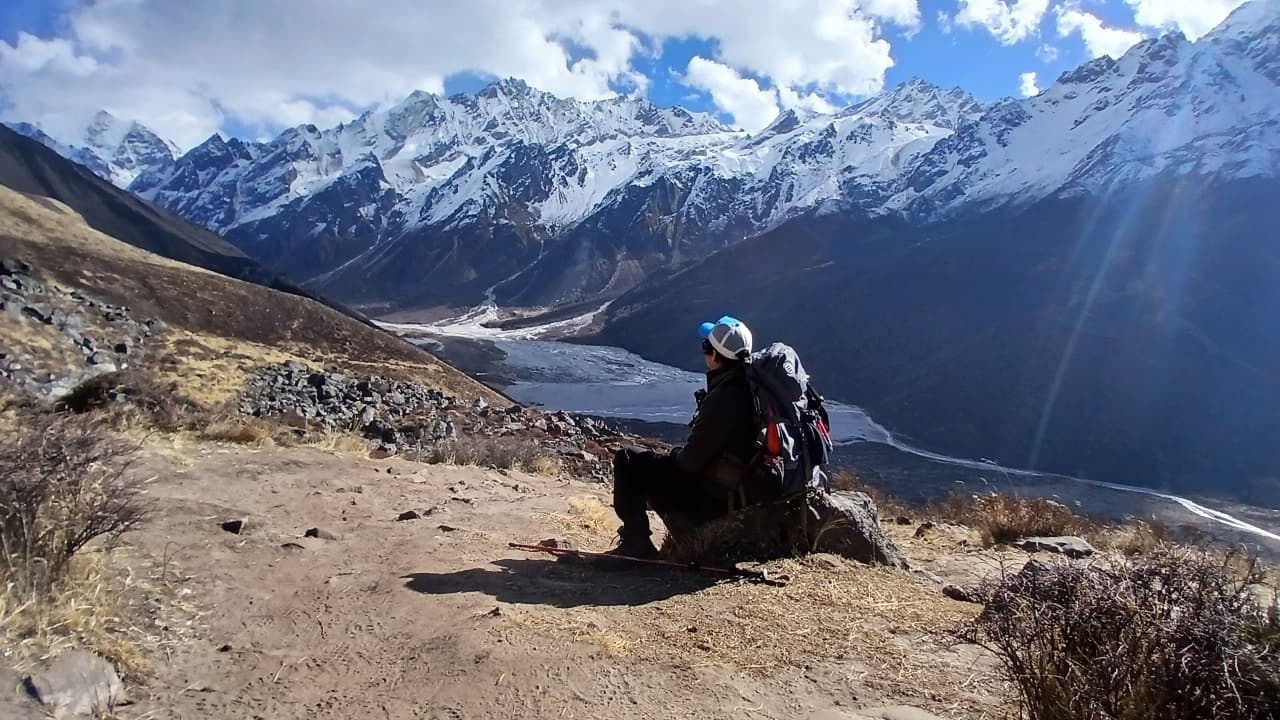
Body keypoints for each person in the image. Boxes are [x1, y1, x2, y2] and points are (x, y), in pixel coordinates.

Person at [607, 315, 764, 559]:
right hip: (745, 491)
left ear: (715, 355)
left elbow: (690, 462)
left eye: (706, 347)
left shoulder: (725, 398)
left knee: (629, 459)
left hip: (717, 498)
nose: (704, 353)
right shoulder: (753, 387)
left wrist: (672, 456)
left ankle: (635, 544)